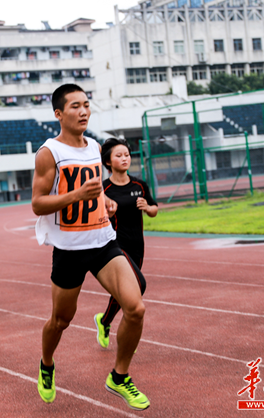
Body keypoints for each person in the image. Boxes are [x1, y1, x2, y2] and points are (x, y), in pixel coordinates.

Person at [33, 84, 149, 411]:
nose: (83, 111)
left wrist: (105, 200)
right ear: (58, 113)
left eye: (86, 105)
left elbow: (94, 189)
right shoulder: (49, 152)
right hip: (69, 250)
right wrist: (76, 196)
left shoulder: (95, 147)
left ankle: (119, 375)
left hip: (102, 242)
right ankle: (46, 362)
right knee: (61, 320)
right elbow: (38, 204)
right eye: (75, 106)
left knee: (135, 308)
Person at [93, 138, 158, 350]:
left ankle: (104, 321)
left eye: (127, 155)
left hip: (138, 244)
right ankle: (119, 330)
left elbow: (155, 209)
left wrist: (147, 208)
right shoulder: (104, 188)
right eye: (119, 156)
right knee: (136, 287)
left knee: (126, 290)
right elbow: (94, 214)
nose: (124, 158)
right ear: (108, 162)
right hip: (115, 245)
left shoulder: (140, 185)